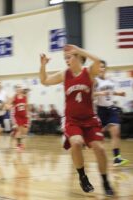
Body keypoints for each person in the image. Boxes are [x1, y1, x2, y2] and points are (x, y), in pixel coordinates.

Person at [39, 44, 114, 196]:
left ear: (79, 57)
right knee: (77, 142)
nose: (66, 60)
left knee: (99, 149)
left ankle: (105, 181)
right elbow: (44, 81)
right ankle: (82, 176)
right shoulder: (64, 74)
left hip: (90, 119)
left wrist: (78, 49)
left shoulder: (89, 72)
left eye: (69, 57)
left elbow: (99, 61)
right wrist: (43, 66)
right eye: (65, 58)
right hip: (72, 120)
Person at [94, 60, 129, 166]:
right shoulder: (95, 80)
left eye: (103, 67)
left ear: (105, 68)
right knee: (98, 136)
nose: (102, 68)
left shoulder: (109, 80)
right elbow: (91, 94)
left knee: (116, 132)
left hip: (111, 109)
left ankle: (117, 158)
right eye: (100, 67)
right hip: (101, 110)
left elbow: (111, 92)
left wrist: (119, 93)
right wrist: (100, 92)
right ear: (97, 68)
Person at [8, 84, 29, 150]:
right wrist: (9, 106)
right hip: (17, 116)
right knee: (19, 131)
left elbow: (26, 105)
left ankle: (14, 131)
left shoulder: (25, 96)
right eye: (17, 87)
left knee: (24, 132)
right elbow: (8, 104)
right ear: (15, 89)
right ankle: (19, 145)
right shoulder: (14, 97)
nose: (19, 88)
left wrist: (27, 113)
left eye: (20, 87)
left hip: (24, 116)